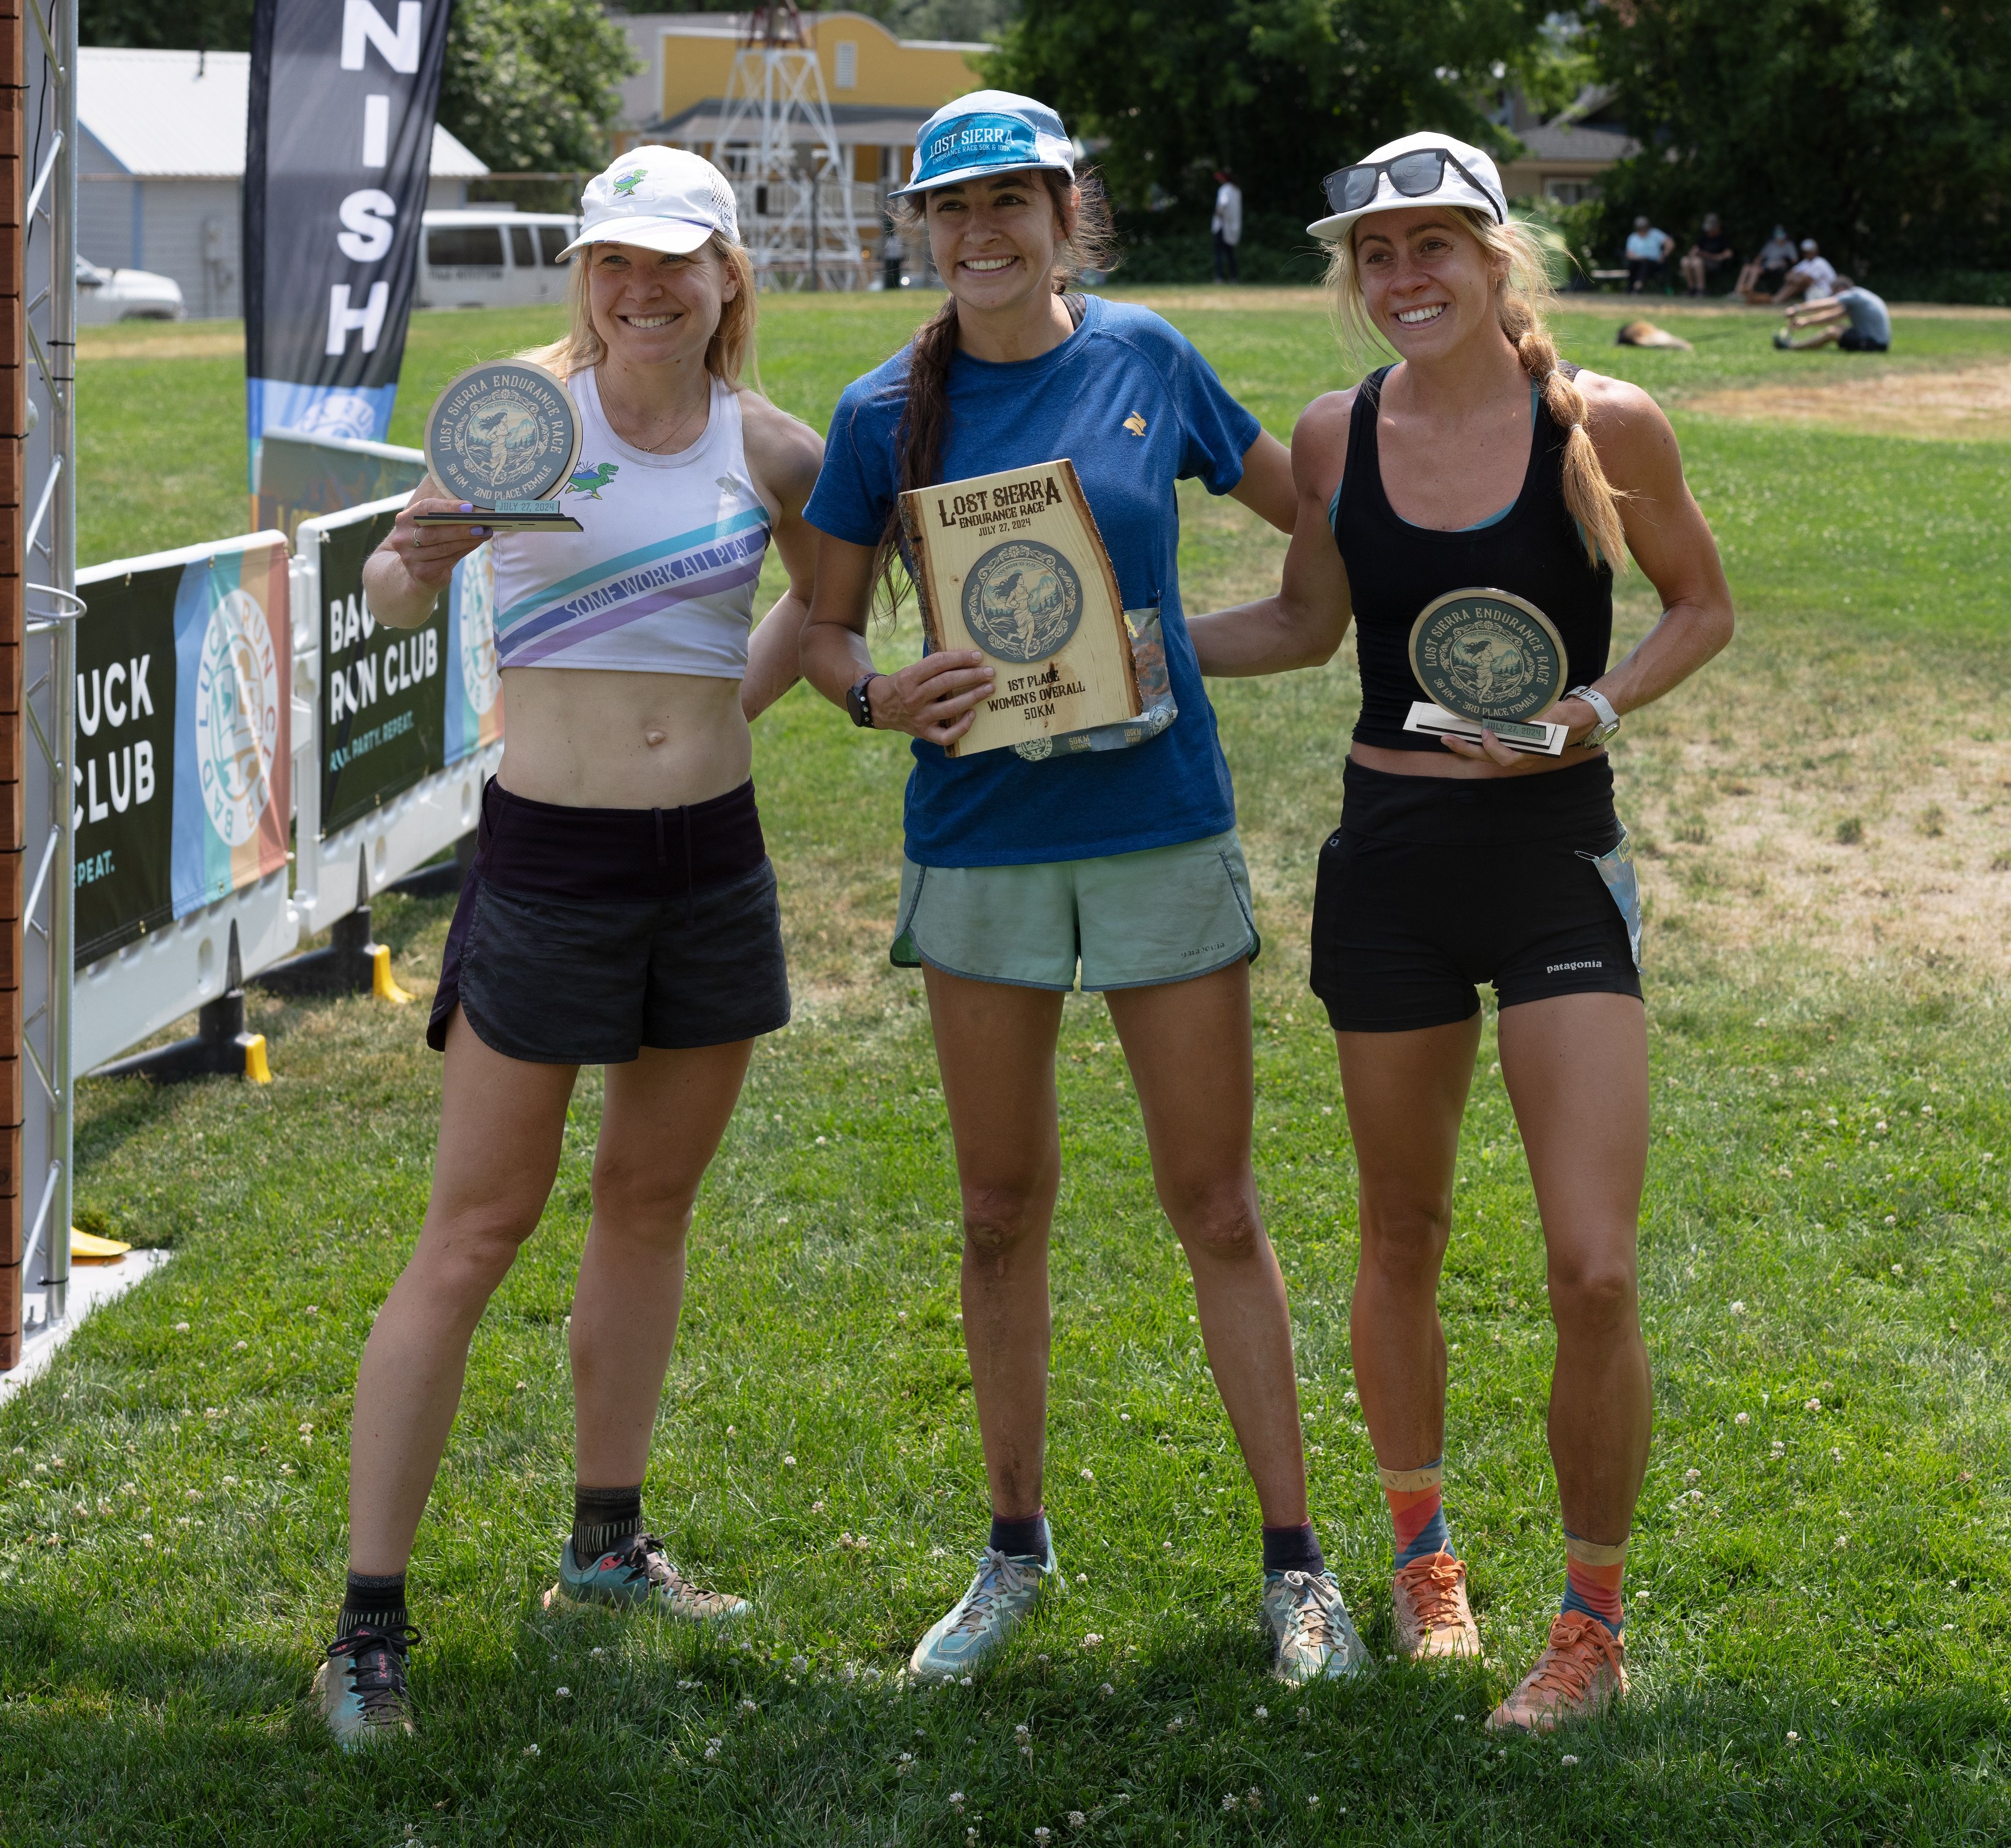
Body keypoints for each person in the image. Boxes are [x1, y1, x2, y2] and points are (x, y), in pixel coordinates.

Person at [798, 90, 1365, 1687]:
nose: (979, 234)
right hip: (979, 840)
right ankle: (1012, 1546)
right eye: (951, 210)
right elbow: (828, 632)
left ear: (1066, 214)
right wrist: (876, 696)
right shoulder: (876, 411)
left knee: (1216, 1202)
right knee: (997, 1210)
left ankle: (1297, 1566)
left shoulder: (1148, 358)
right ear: (926, 230)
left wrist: (1222, 642)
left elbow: (1313, 515)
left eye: (1010, 204)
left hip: (1156, 826)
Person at [1185, 129, 1733, 1731]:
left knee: (1595, 1266)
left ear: (1498, 258)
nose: (1404, 273)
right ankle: (1424, 1558)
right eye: (1377, 252)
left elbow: (1701, 604)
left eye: (1434, 244)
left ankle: (1590, 1625)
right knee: (1402, 1233)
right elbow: (1304, 622)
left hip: (1553, 855)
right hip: (1391, 864)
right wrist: (1130, 644)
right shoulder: (1335, 433)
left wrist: (1593, 707)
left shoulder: (1602, 422)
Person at [313, 146, 824, 1747]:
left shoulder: (774, 447)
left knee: (648, 1205)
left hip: (713, 865)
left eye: (673, 263)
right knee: (476, 1230)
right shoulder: (515, 423)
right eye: (614, 264)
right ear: (585, 277)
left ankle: (605, 1546)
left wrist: (719, 710)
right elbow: (391, 598)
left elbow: (828, 607)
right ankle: (365, 1627)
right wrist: (416, 561)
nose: (642, 292)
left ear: (728, 276)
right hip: (548, 861)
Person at [1775, 275, 1890, 352]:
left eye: (1834, 293)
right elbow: (1833, 316)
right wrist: (1806, 322)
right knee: (1840, 328)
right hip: (1878, 343)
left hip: (1875, 344)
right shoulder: (1858, 296)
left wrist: (1797, 309)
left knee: (1832, 332)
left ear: (1840, 289)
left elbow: (1826, 304)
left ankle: (1793, 347)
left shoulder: (1854, 296)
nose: (1834, 296)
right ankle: (1794, 345)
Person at [1736, 224, 1798, 303]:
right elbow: (1760, 257)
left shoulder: (1789, 245)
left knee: (1755, 271)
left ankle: (1747, 294)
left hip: (1778, 269)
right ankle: (1737, 292)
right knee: (1747, 267)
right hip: (1765, 267)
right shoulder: (1771, 244)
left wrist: (1785, 261)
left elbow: (1794, 260)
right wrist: (1756, 263)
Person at [1679, 213, 1734, 296]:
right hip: (1699, 261)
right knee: (1685, 260)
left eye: (1711, 229)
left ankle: (1701, 289)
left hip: (1715, 263)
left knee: (1697, 262)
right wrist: (1694, 254)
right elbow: (1693, 250)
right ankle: (1691, 288)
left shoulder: (1724, 238)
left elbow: (1729, 254)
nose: (1709, 232)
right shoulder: (1704, 237)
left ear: (1718, 226)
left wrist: (1711, 256)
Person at [1772, 238, 1837, 305]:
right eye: (1806, 252)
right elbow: (1787, 276)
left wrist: (1797, 277)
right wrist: (1798, 277)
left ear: (1815, 251)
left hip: (1827, 291)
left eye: (1810, 251)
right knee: (1795, 282)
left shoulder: (1820, 262)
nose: (1808, 254)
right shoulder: (1805, 263)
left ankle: (1778, 299)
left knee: (1801, 283)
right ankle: (1777, 298)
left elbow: (1806, 280)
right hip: (1815, 290)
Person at [1622, 216, 1673, 293]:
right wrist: (1640, 258)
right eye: (1640, 228)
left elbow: (1670, 243)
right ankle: (1631, 287)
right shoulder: (1633, 237)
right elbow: (1629, 255)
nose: (1642, 230)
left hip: (1655, 263)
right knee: (1634, 264)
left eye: (1644, 227)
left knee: (1645, 263)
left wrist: (1664, 256)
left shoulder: (1655, 233)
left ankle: (1637, 287)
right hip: (1637, 262)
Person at [1212, 168, 1244, 283]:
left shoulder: (1225, 189)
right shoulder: (1237, 190)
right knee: (1231, 253)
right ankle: (1233, 277)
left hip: (1223, 226)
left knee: (1219, 253)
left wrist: (1218, 213)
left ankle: (1219, 277)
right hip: (1233, 227)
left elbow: (1223, 203)